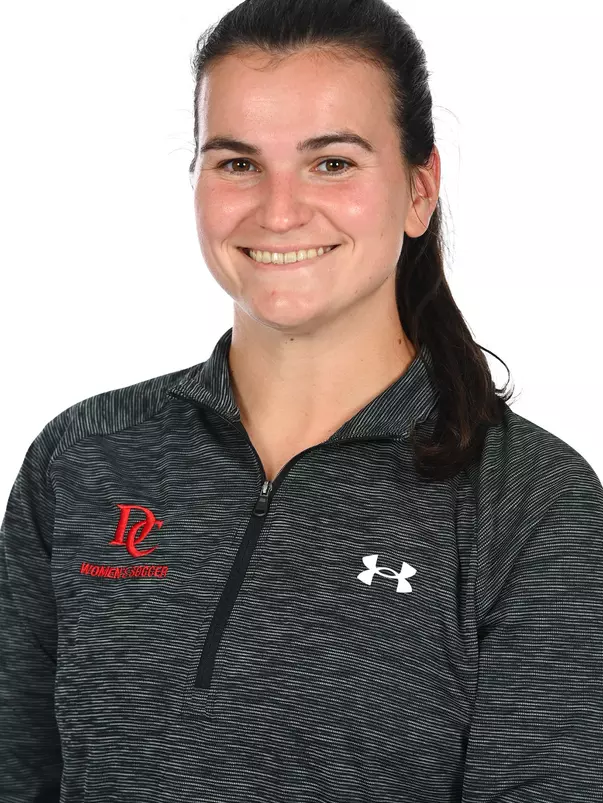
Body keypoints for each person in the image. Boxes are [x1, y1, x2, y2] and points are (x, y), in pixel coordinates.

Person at [1, 0, 602, 800]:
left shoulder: (531, 504)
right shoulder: (83, 456)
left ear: (419, 190)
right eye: (237, 162)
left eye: (332, 162)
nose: (278, 211)